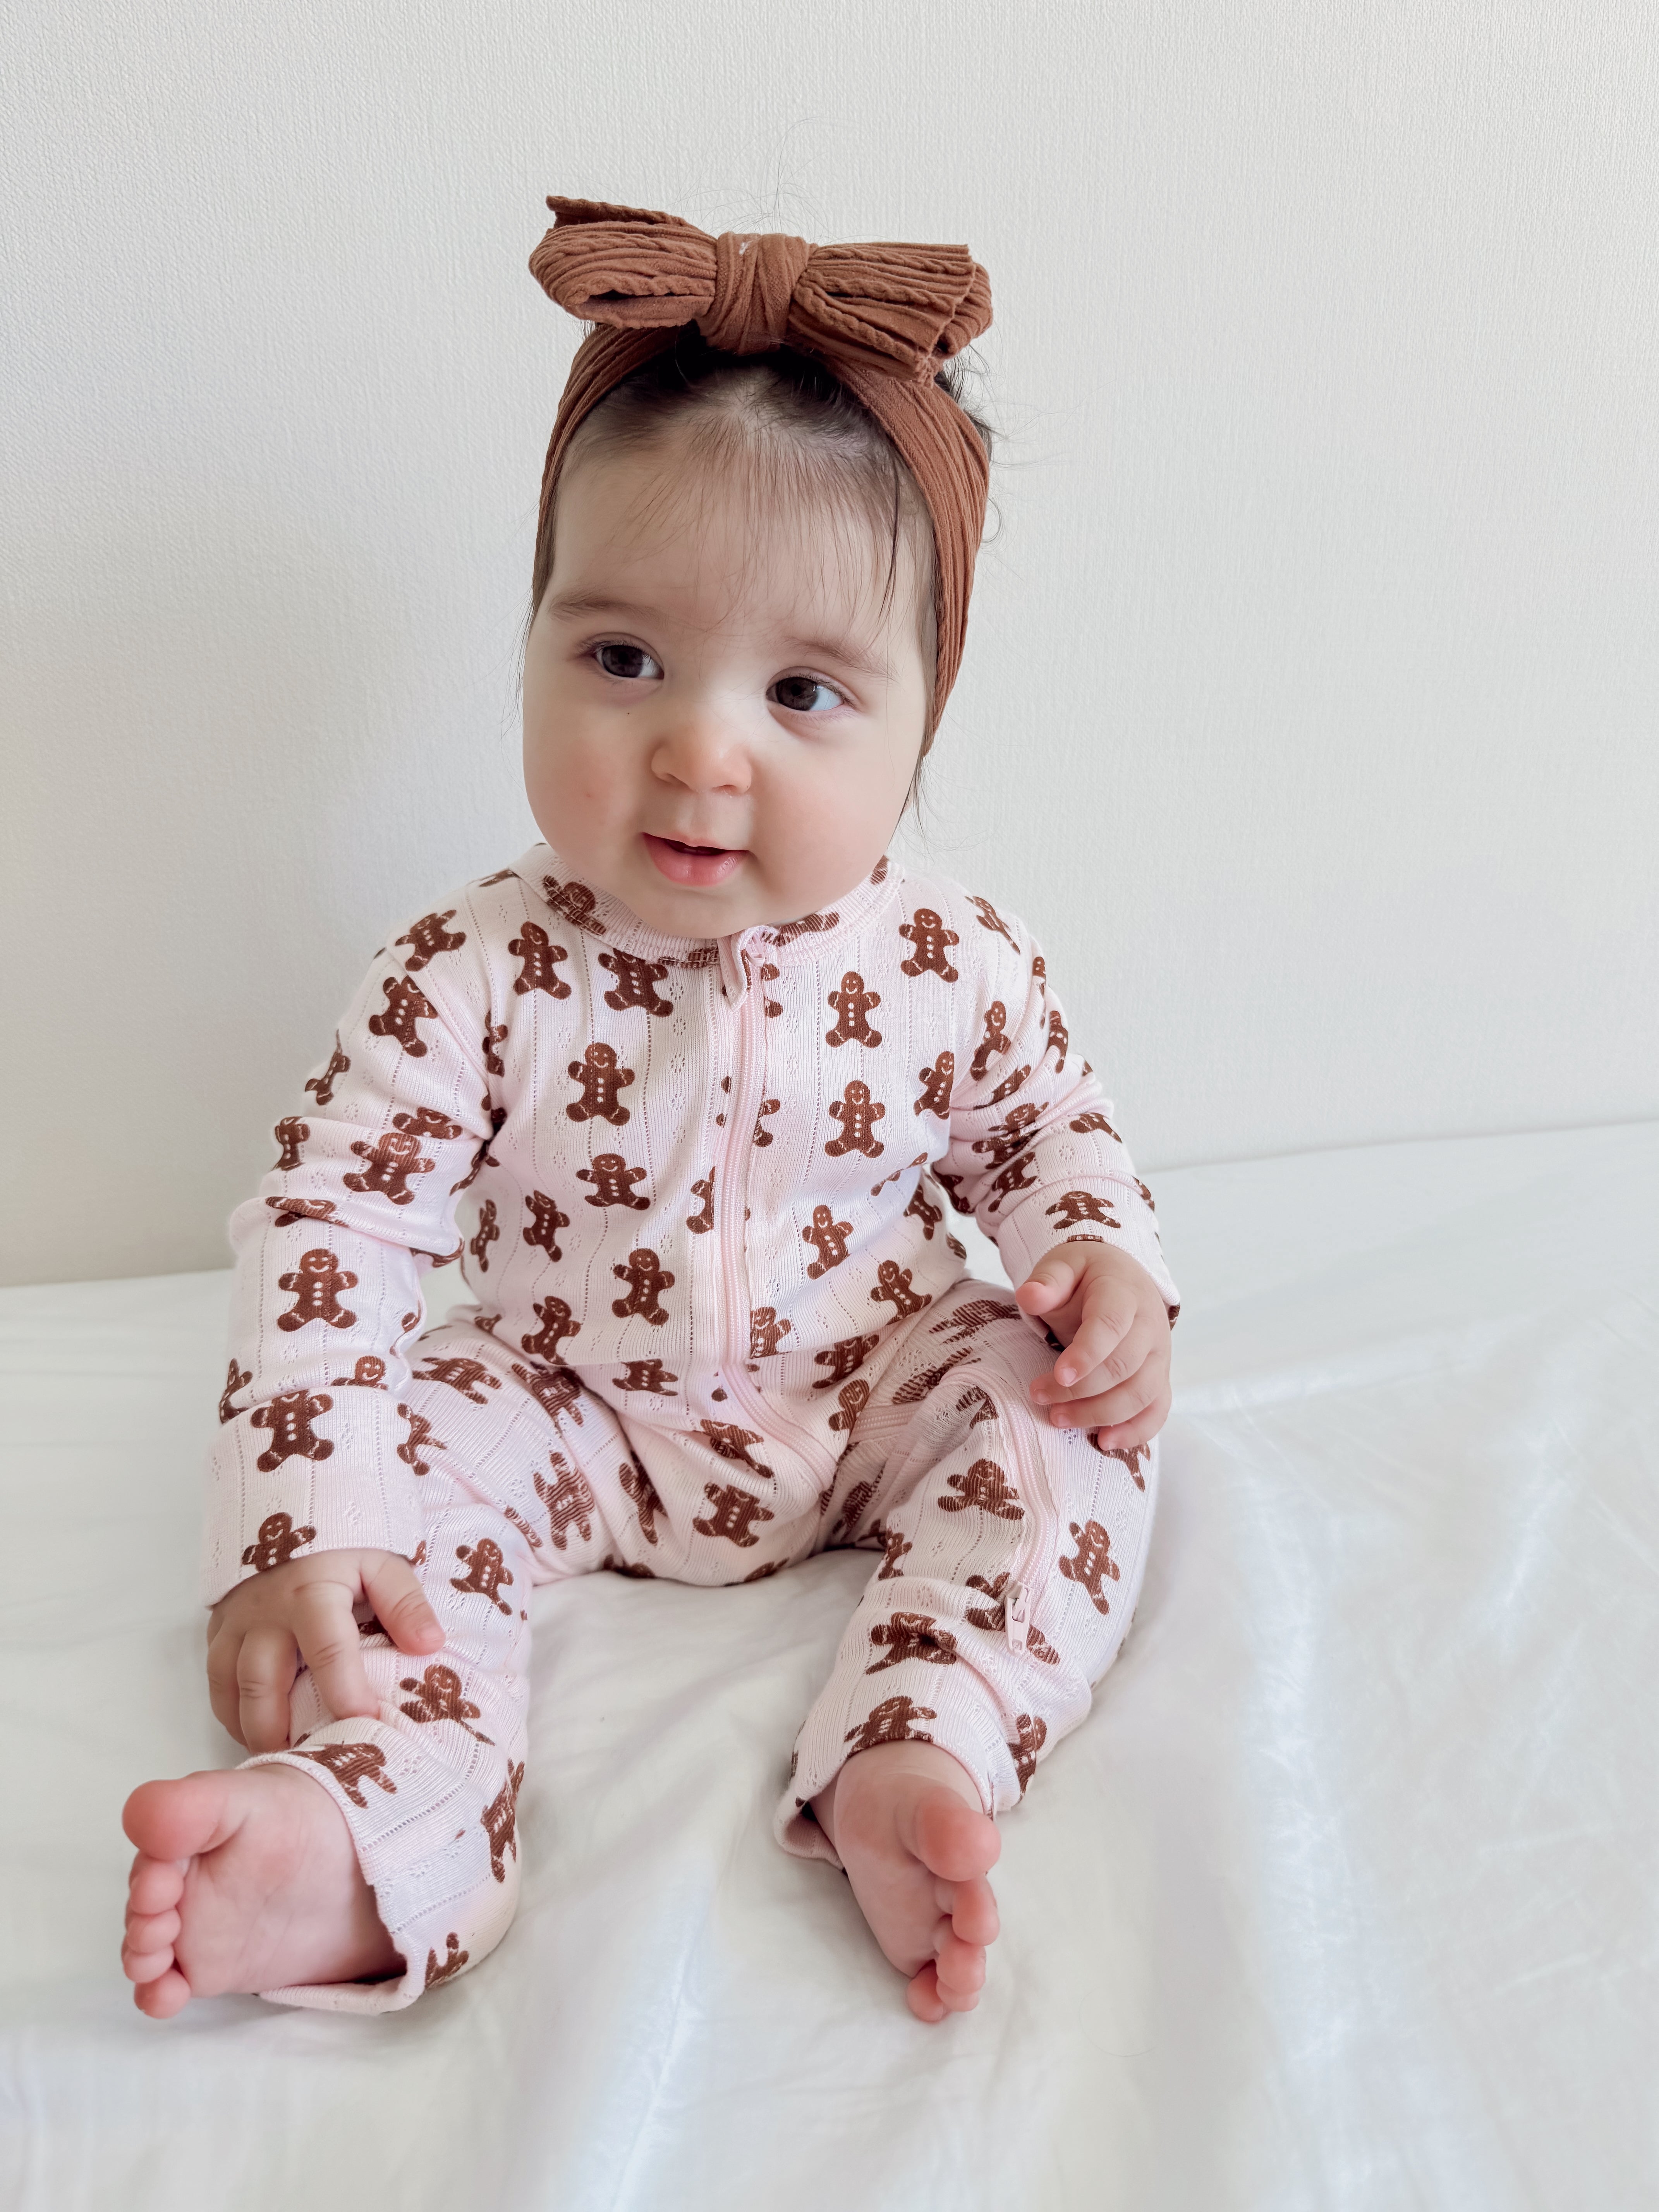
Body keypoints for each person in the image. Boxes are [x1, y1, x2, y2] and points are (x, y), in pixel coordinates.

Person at [120, 197, 1178, 2026]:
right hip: (567, 1405)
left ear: (921, 721)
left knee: (1056, 1406)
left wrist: (1096, 1253)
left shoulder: (954, 956)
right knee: (407, 1463)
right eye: (623, 659)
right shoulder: (469, 972)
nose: (702, 749)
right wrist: (304, 1515)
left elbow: (1042, 1128)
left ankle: (921, 1733)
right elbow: (335, 1230)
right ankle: (372, 1835)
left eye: (804, 690)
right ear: (530, 635)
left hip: (862, 1388)